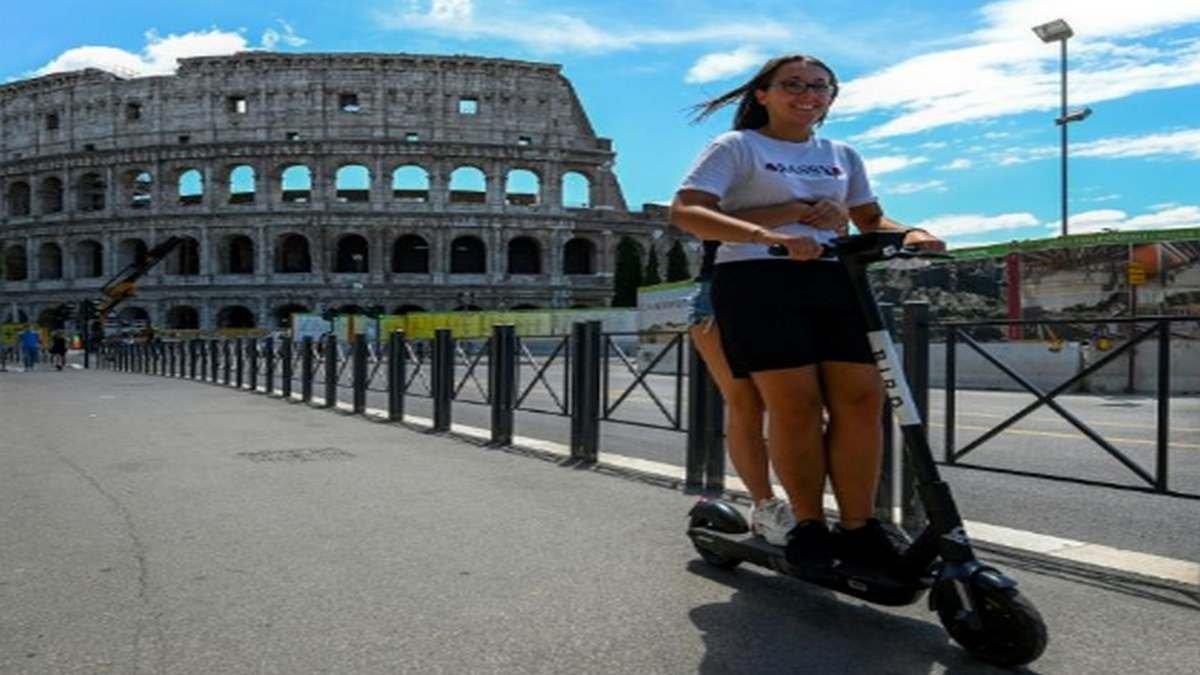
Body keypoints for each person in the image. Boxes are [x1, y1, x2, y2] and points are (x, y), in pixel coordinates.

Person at [670, 53, 945, 573]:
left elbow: (868, 217)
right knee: (795, 406)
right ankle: (808, 524)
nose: (808, 95)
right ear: (763, 95)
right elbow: (687, 211)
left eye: (820, 87)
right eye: (792, 85)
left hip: (835, 279)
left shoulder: (841, 153)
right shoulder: (738, 147)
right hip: (758, 279)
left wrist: (909, 231)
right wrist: (769, 232)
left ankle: (860, 528)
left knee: (863, 401)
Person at [687, 199, 848, 545]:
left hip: (805, 289)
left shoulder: (819, 180)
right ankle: (765, 505)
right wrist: (794, 212)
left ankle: (811, 509)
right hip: (723, 291)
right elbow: (703, 221)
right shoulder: (734, 173)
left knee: (804, 404)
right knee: (746, 403)